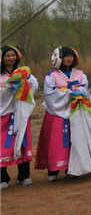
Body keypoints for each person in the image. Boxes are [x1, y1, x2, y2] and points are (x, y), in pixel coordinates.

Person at [36, 47, 91, 180]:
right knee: (56, 142)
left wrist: (79, 91)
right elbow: (50, 95)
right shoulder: (51, 76)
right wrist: (69, 92)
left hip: (77, 112)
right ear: (58, 58)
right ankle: (54, 170)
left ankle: (74, 168)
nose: (69, 59)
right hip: (58, 114)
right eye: (65, 56)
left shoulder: (80, 74)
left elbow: (85, 89)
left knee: (77, 140)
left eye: (71, 56)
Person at [0, 45, 38, 188]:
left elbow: (34, 87)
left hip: (20, 114)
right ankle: (2, 177)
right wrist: (9, 87)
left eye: (13, 55)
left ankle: (24, 175)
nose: (10, 58)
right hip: (4, 115)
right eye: (7, 56)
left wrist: (24, 81)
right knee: (2, 146)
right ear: (2, 58)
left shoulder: (22, 72)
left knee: (23, 143)